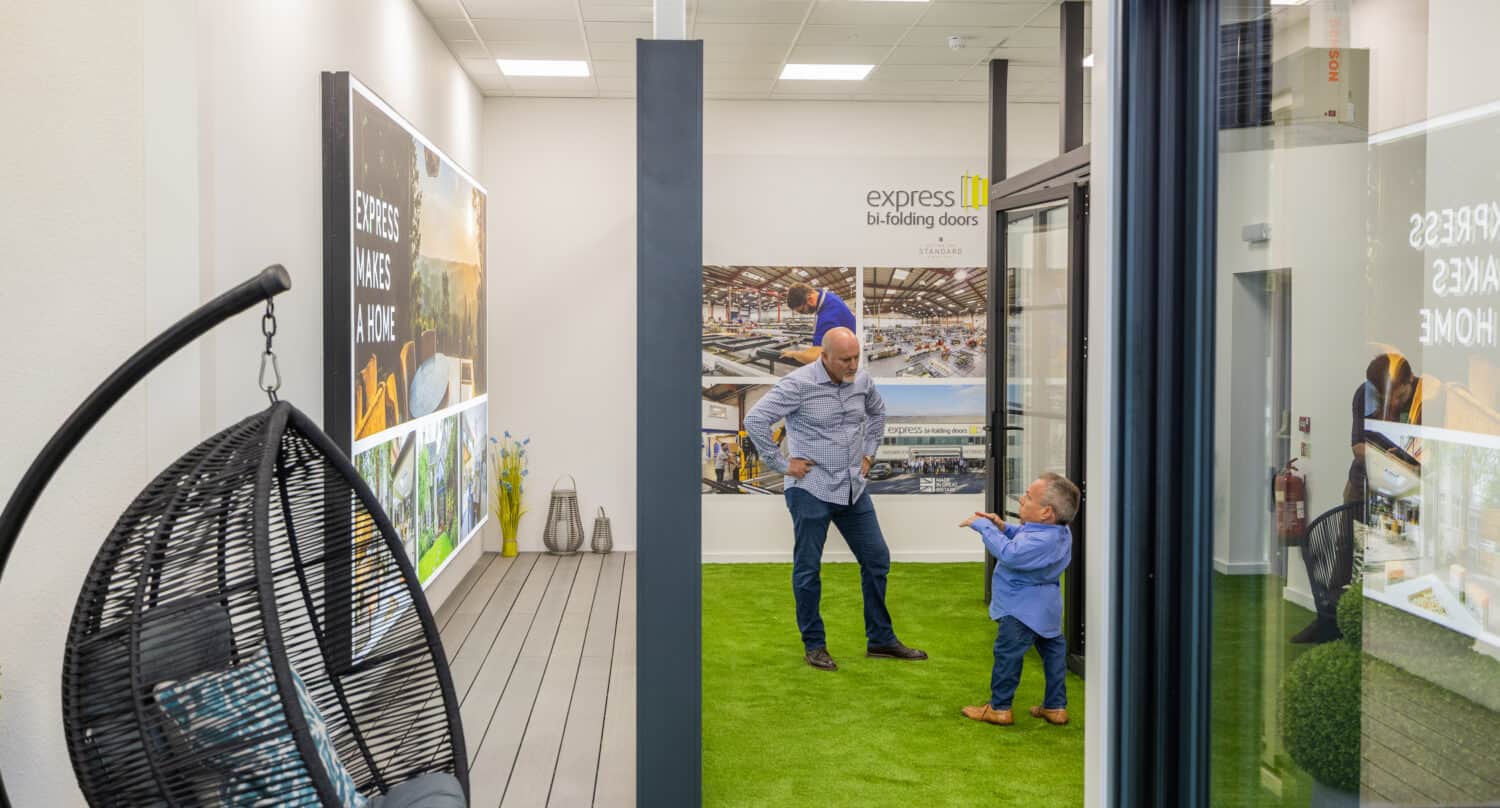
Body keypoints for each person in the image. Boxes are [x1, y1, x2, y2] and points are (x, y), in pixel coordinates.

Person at [744, 327, 927, 671]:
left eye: (856, 356)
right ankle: (814, 644)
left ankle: (881, 639)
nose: (853, 364)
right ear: (824, 356)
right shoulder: (798, 385)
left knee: (877, 559)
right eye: (845, 358)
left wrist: (869, 455)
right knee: (808, 569)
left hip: (852, 488)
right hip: (810, 489)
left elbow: (878, 415)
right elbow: (754, 419)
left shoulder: (862, 381)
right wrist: (782, 464)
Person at [1293, 351, 1424, 644]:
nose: (1390, 403)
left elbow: (1425, 460)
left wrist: (1407, 466)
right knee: (1346, 546)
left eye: (1396, 395)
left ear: (1409, 382)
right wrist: (1389, 460)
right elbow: (1358, 447)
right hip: (1360, 483)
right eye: (1382, 396)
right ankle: (1330, 620)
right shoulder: (1364, 394)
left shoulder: (1425, 401)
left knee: (1389, 556)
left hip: (1403, 495)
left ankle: (1380, 630)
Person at [958, 472, 1079, 727]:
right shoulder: (1058, 532)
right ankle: (1056, 707)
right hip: (1047, 609)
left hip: (1021, 609)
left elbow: (1010, 553)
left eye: (1028, 497)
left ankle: (1000, 708)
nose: (1022, 500)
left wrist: (985, 528)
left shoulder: (1040, 539)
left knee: (1007, 655)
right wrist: (1003, 527)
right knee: (1054, 655)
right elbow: (1025, 537)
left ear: (1046, 512)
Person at [780, 282, 857, 366]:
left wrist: (794, 354)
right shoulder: (829, 297)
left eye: (802, 310)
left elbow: (816, 358)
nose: (804, 314)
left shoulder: (827, 317)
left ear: (810, 299)